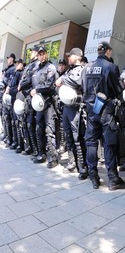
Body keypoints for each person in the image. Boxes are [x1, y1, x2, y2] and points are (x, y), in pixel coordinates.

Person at [81, 41, 125, 190]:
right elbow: (118, 90)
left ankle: (93, 176)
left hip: (90, 112)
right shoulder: (111, 67)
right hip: (106, 112)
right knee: (109, 144)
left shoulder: (86, 68)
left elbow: (83, 89)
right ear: (108, 51)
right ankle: (113, 179)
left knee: (91, 143)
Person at [55, 48, 88, 179]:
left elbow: (76, 82)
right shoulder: (70, 70)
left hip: (76, 108)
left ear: (77, 57)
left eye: (70, 56)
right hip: (67, 108)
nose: (68, 58)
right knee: (68, 135)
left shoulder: (82, 69)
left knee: (78, 137)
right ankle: (72, 162)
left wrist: (63, 80)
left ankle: (83, 166)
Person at [30, 46, 58, 166]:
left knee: (49, 130)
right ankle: (42, 154)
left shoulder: (50, 67)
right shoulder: (36, 69)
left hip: (49, 103)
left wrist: (36, 89)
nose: (41, 56)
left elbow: (49, 85)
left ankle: (53, 158)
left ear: (46, 54)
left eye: (43, 54)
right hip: (39, 104)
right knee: (38, 129)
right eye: (39, 54)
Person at [18, 47, 40, 157]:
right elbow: (23, 78)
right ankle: (29, 146)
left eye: (32, 52)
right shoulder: (29, 65)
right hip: (26, 97)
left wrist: (21, 85)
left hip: (32, 98)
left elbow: (29, 79)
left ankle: (35, 149)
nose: (30, 53)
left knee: (31, 124)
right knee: (26, 123)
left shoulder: (36, 65)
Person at [2, 53, 16, 147]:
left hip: (10, 97)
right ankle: (7, 136)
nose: (8, 59)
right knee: (5, 118)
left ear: (12, 59)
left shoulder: (13, 69)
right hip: (5, 96)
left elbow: (9, 82)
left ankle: (11, 139)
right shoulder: (7, 69)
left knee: (10, 119)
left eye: (9, 58)